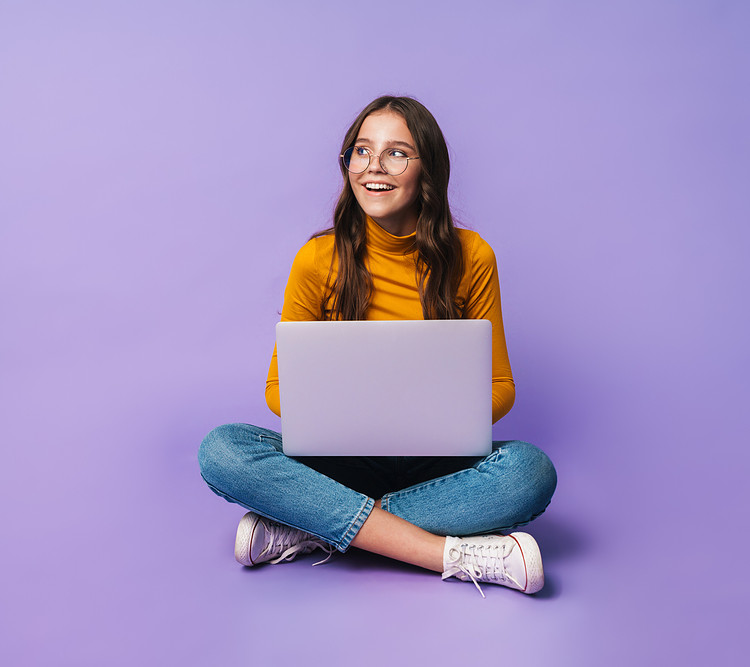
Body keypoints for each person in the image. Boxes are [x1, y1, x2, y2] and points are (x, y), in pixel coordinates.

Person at [199, 96, 557, 597]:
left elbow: (500, 389)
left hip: (437, 462)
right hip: (342, 461)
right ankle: (450, 554)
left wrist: (429, 418)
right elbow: (279, 390)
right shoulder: (317, 258)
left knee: (529, 473)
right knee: (222, 449)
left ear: (427, 168)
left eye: (395, 153)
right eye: (361, 152)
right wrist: (348, 417)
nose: (373, 168)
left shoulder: (472, 255)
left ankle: (308, 524)